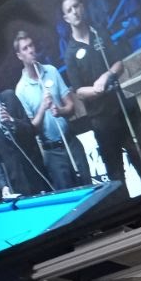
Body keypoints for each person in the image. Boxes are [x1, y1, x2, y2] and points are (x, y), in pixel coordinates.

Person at [62, 0, 141, 197]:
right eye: (69, 10)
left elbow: (119, 63)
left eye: (76, 6)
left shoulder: (99, 33)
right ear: (66, 18)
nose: (75, 12)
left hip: (121, 108)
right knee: (116, 175)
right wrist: (97, 89)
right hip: (101, 121)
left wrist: (107, 76)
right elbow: (79, 92)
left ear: (82, 7)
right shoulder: (70, 53)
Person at [13, 30, 91, 190]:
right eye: (25, 48)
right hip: (52, 154)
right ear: (19, 56)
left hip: (71, 142)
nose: (31, 50)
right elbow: (31, 129)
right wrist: (43, 107)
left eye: (31, 45)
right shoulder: (20, 90)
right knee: (70, 198)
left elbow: (71, 106)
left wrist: (60, 111)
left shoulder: (51, 71)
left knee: (90, 188)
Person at [0, 61, 51, 199]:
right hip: (16, 181)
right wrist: (3, 185)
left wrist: (12, 121)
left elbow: (30, 129)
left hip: (35, 169)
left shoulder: (10, 97)